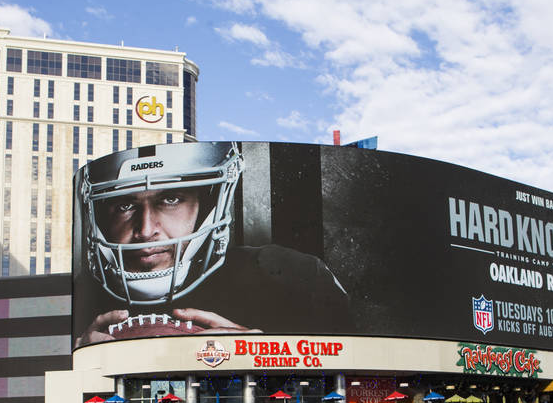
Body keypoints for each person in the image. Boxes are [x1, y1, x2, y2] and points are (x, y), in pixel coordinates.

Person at [73, 142, 353, 346]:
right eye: (124, 205)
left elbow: (359, 368)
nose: (146, 231)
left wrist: (264, 350)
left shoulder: (283, 276)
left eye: (170, 200)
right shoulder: (86, 294)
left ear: (207, 206)